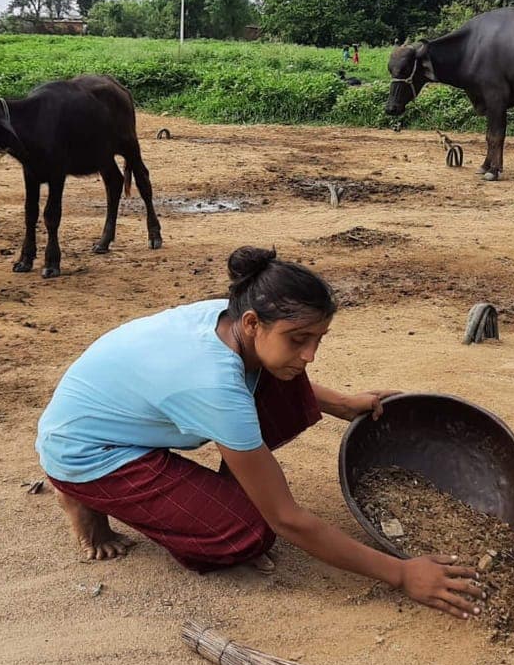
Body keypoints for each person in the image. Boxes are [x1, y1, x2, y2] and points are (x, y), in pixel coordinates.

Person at [37, 246, 486, 620]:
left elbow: (278, 371)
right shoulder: (213, 384)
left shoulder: (229, 318)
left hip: (116, 420)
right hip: (88, 451)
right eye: (298, 339)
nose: (310, 354)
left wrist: (343, 404)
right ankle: (79, 493)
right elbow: (286, 518)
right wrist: (402, 574)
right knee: (247, 531)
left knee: (282, 382)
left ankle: (204, 494)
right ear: (253, 323)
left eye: (319, 339)